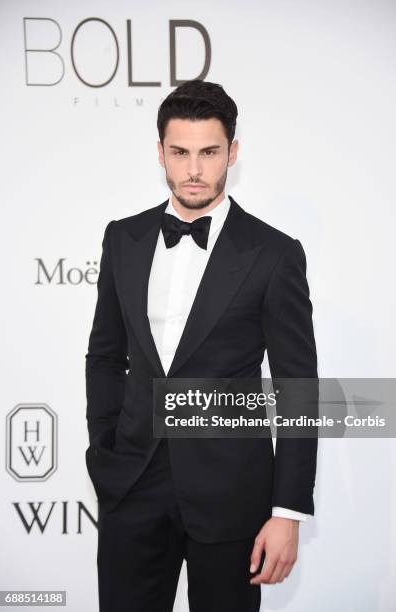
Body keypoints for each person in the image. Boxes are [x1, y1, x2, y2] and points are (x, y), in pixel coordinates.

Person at [85, 79, 318, 612]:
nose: (194, 169)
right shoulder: (123, 237)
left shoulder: (274, 253)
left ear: (232, 153)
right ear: (161, 152)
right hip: (132, 488)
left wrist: (287, 512)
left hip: (233, 496)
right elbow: (104, 355)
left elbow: (298, 387)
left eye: (209, 153)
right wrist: (105, 450)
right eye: (180, 152)